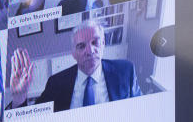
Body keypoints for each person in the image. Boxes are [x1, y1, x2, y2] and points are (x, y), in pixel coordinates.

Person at [8, 20, 141, 112]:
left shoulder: (125, 71)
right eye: (81, 46)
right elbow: (35, 120)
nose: (90, 51)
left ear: (104, 44)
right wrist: (19, 98)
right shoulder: (56, 83)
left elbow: (139, 108)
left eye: (95, 42)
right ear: (73, 53)